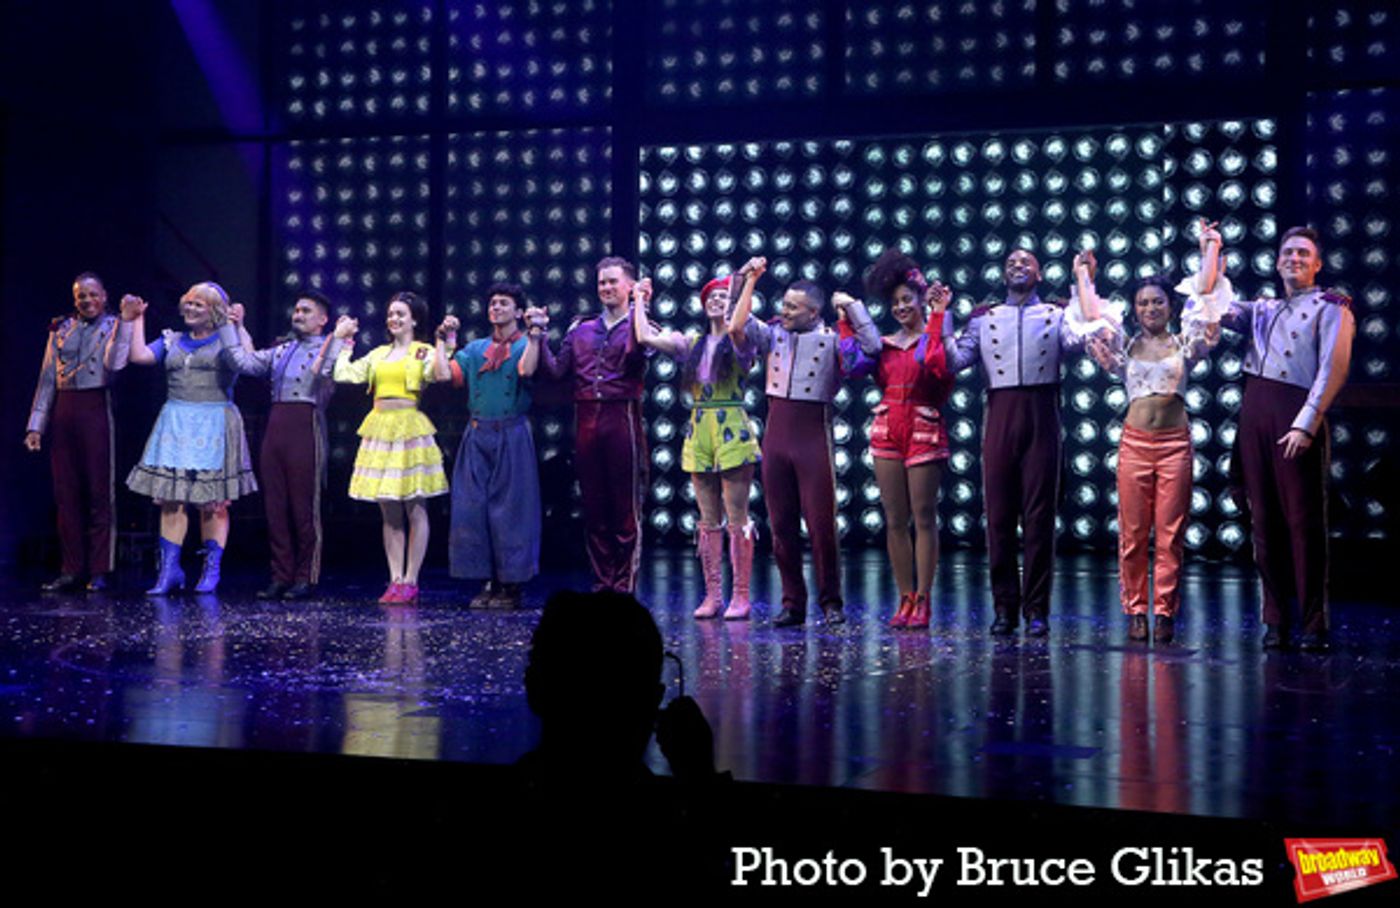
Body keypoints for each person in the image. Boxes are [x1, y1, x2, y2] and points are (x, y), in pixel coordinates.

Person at [1190, 223, 1355, 652]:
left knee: (1303, 522)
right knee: (1263, 523)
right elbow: (1208, 301)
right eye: (1287, 253)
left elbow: (1331, 369)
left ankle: (1314, 623)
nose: (1294, 259)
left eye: (1303, 253)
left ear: (1317, 264)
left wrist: (1307, 421)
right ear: (1277, 261)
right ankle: (1276, 619)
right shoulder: (1261, 309)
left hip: (1293, 412)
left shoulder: (1331, 306)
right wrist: (1210, 247)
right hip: (1255, 412)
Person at [1068, 239, 1221, 644]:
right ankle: (1136, 609)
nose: (1150, 309)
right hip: (1135, 443)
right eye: (1142, 303)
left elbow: (1205, 295)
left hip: (1174, 445)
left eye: (1157, 302)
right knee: (1133, 533)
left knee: (1170, 533)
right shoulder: (1124, 343)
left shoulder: (1185, 342)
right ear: (1134, 309)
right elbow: (1090, 315)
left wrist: (1211, 248)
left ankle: (1164, 610)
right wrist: (1084, 273)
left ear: (1170, 306)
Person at [945, 249, 1086, 637]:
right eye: (1011, 263)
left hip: (1042, 411)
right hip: (1000, 413)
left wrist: (1080, 295)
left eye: (1026, 262)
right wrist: (942, 316)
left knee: (1040, 517)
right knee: (1000, 518)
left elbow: (1078, 343)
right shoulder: (985, 318)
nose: (1017, 267)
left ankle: (1036, 609)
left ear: (1039, 274)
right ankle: (1004, 608)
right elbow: (955, 361)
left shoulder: (1056, 315)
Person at [729, 270, 881, 627]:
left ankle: (831, 602)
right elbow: (736, 325)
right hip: (777, 434)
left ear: (814, 313)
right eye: (784, 304)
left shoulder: (832, 340)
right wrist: (747, 281)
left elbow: (872, 348)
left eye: (794, 308)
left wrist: (852, 307)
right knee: (781, 526)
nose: (785, 311)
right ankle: (792, 602)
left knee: (820, 525)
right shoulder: (772, 335)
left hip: (813, 435)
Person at [633, 261, 764, 620]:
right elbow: (645, 337)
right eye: (712, 297)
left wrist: (747, 282)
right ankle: (713, 595)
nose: (717, 301)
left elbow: (737, 323)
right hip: (699, 427)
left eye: (724, 296)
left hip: (731, 425)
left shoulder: (742, 340)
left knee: (737, 515)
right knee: (707, 519)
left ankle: (740, 595)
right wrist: (638, 301)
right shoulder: (691, 343)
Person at [114, 283, 259, 594]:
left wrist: (238, 325)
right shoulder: (173, 340)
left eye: (200, 305)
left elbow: (247, 361)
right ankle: (169, 570)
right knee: (171, 498)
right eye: (189, 303)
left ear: (215, 311)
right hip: (177, 422)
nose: (191, 309)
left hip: (214, 422)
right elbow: (138, 356)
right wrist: (134, 319)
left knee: (213, 503)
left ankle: (211, 570)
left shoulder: (226, 341)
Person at [520, 257, 651, 594]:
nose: (606, 288)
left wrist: (640, 307)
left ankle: (624, 584)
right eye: (602, 283)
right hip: (587, 419)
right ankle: (602, 581)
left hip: (621, 416)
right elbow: (555, 371)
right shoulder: (581, 328)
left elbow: (636, 357)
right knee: (594, 506)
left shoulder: (642, 326)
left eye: (613, 282)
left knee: (625, 506)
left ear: (629, 286)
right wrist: (539, 334)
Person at [842, 249, 954, 630]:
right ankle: (904, 596)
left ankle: (924, 598)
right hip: (888, 426)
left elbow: (933, 363)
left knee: (923, 517)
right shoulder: (883, 344)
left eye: (908, 300)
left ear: (922, 300)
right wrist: (847, 322)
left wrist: (937, 317)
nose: (901, 307)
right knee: (894, 519)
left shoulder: (937, 336)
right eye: (895, 303)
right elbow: (852, 366)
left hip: (923, 425)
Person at [216, 290, 345, 600]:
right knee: (275, 506)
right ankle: (280, 575)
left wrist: (339, 337)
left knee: (304, 507)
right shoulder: (282, 350)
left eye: (306, 311)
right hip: (276, 426)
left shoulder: (335, 347)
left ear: (322, 320)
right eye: (296, 310)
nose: (297, 315)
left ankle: (305, 576)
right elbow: (243, 361)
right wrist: (230, 326)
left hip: (306, 424)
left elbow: (326, 370)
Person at [332, 291, 448, 604]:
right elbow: (345, 373)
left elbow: (439, 374)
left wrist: (444, 343)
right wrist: (344, 345)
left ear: (414, 319)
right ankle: (395, 578)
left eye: (400, 314)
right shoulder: (378, 354)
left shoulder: (422, 351)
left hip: (409, 426)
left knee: (415, 505)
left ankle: (412, 579)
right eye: (391, 314)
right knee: (389, 508)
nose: (394, 319)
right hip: (380, 428)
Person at [433, 283, 540, 610]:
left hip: (512, 432)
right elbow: (441, 375)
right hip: (477, 433)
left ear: (518, 312)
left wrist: (535, 335)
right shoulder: (476, 349)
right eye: (492, 303)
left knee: (511, 511)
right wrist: (440, 341)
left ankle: (511, 584)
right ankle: (486, 580)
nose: (496, 308)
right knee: (472, 507)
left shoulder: (525, 345)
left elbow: (529, 370)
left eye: (504, 303)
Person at [24, 272, 131, 592]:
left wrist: (126, 323)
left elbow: (117, 364)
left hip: (96, 407)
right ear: (75, 300)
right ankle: (71, 568)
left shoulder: (114, 326)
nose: (87, 300)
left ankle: (100, 569)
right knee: (65, 493)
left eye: (92, 294)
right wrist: (35, 426)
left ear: (104, 296)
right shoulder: (61, 329)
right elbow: (46, 379)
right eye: (81, 296)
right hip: (64, 411)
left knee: (99, 492)